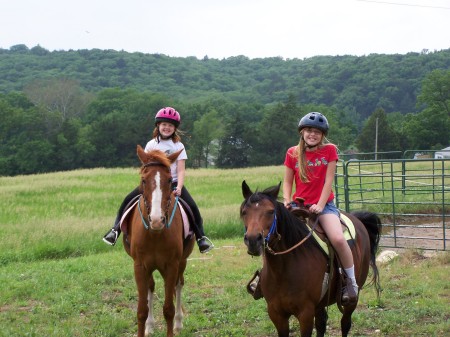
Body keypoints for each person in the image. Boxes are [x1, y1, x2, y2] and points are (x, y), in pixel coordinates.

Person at [102, 107, 214, 254]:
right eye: (164, 124)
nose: (167, 128)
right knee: (127, 201)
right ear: (158, 126)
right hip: (151, 184)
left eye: (170, 125)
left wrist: (179, 187)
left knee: (192, 207)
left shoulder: (178, 146)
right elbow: (146, 168)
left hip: (171, 183)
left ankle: (201, 238)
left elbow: (180, 170)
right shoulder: (151, 145)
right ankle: (115, 230)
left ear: (175, 128)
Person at [283, 111, 358, 305]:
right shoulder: (292, 152)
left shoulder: (330, 150)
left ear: (322, 135)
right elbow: (288, 180)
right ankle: (264, 278)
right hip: (299, 205)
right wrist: (286, 200)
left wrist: (321, 205)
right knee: (273, 235)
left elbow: (328, 180)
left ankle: (350, 281)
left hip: (323, 207)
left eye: (317, 132)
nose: (312, 134)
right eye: (308, 130)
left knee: (338, 239)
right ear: (302, 132)